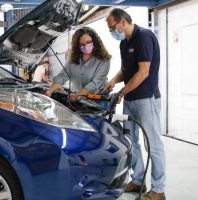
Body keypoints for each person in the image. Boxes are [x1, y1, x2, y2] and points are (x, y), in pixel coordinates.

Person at [103, 8, 166, 200]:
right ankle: (138, 180)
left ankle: (158, 190)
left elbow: (143, 72)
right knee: (132, 142)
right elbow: (126, 70)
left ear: (122, 22)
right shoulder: (124, 43)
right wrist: (114, 80)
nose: (112, 32)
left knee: (152, 144)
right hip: (130, 99)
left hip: (146, 99)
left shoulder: (144, 37)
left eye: (112, 27)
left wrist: (122, 91)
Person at [45, 26, 111, 109]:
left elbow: (95, 84)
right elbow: (63, 76)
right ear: (77, 45)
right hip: (77, 96)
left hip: (98, 98)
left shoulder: (104, 59)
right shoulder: (73, 58)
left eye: (88, 42)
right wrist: (49, 91)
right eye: (82, 44)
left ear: (95, 42)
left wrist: (78, 95)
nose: (86, 46)